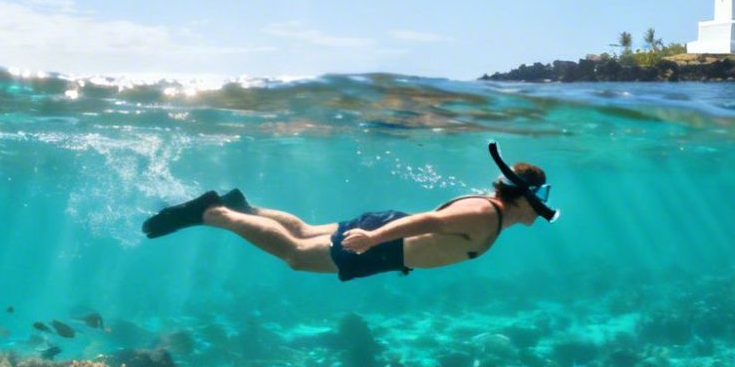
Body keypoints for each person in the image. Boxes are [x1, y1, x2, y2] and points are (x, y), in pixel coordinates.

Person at [142, 143, 555, 281]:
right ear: (521, 198)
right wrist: (375, 240)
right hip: (385, 243)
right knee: (297, 256)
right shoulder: (486, 215)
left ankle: (243, 207)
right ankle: (215, 214)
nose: (542, 208)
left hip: (389, 236)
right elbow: (430, 222)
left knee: (302, 230)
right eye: (538, 198)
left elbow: (435, 232)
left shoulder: (491, 211)